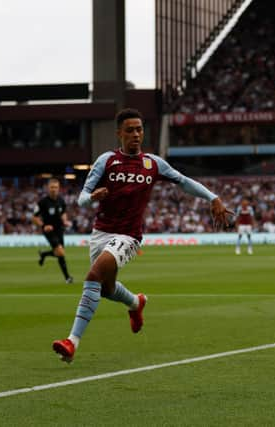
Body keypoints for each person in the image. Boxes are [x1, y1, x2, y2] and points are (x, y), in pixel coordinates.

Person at [52, 108, 232, 363]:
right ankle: (136, 303)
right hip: (101, 232)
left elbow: (183, 181)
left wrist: (212, 197)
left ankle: (72, 342)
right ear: (119, 133)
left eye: (139, 129)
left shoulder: (153, 163)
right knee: (105, 288)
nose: (136, 134)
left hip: (129, 235)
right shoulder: (106, 161)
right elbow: (81, 198)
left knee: (93, 275)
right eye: (130, 130)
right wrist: (92, 198)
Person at [33, 178, 74, 284]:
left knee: (60, 253)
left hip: (60, 229)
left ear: (59, 188)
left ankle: (44, 254)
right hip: (49, 231)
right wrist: (43, 226)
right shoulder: (42, 202)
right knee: (60, 252)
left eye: (56, 187)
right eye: (51, 187)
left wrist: (65, 221)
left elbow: (63, 212)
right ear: (48, 188)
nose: (53, 189)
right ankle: (67, 278)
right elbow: (34, 218)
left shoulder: (61, 200)